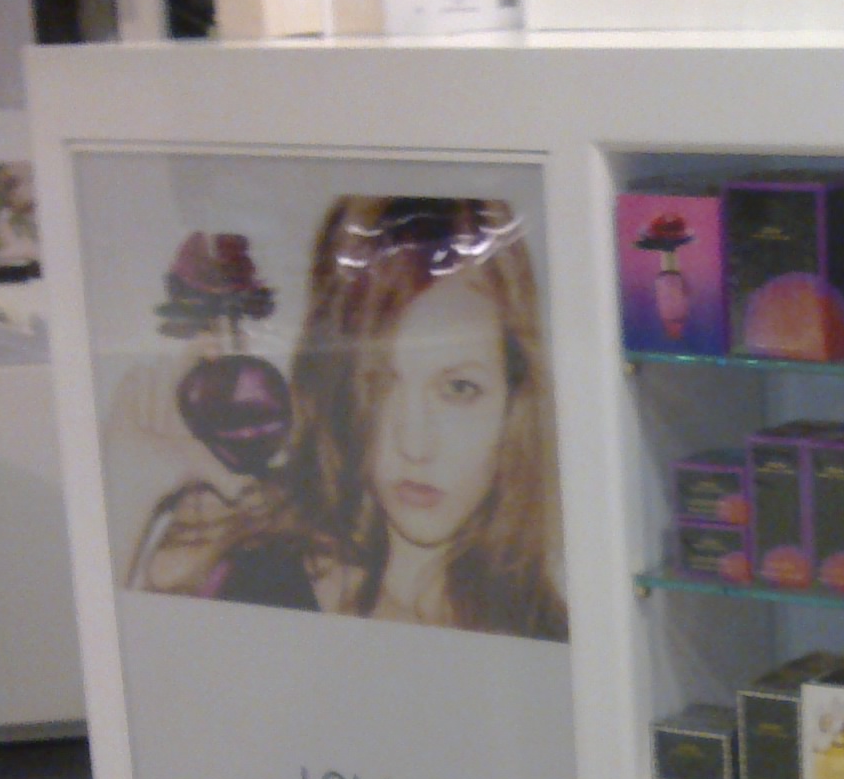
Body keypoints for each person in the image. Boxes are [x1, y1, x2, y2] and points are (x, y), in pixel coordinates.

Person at [125, 195, 569, 643]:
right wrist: (131, 479)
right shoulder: (243, 575)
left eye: (459, 389)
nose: (415, 446)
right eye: (379, 383)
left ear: (514, 399)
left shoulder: (550, 635)